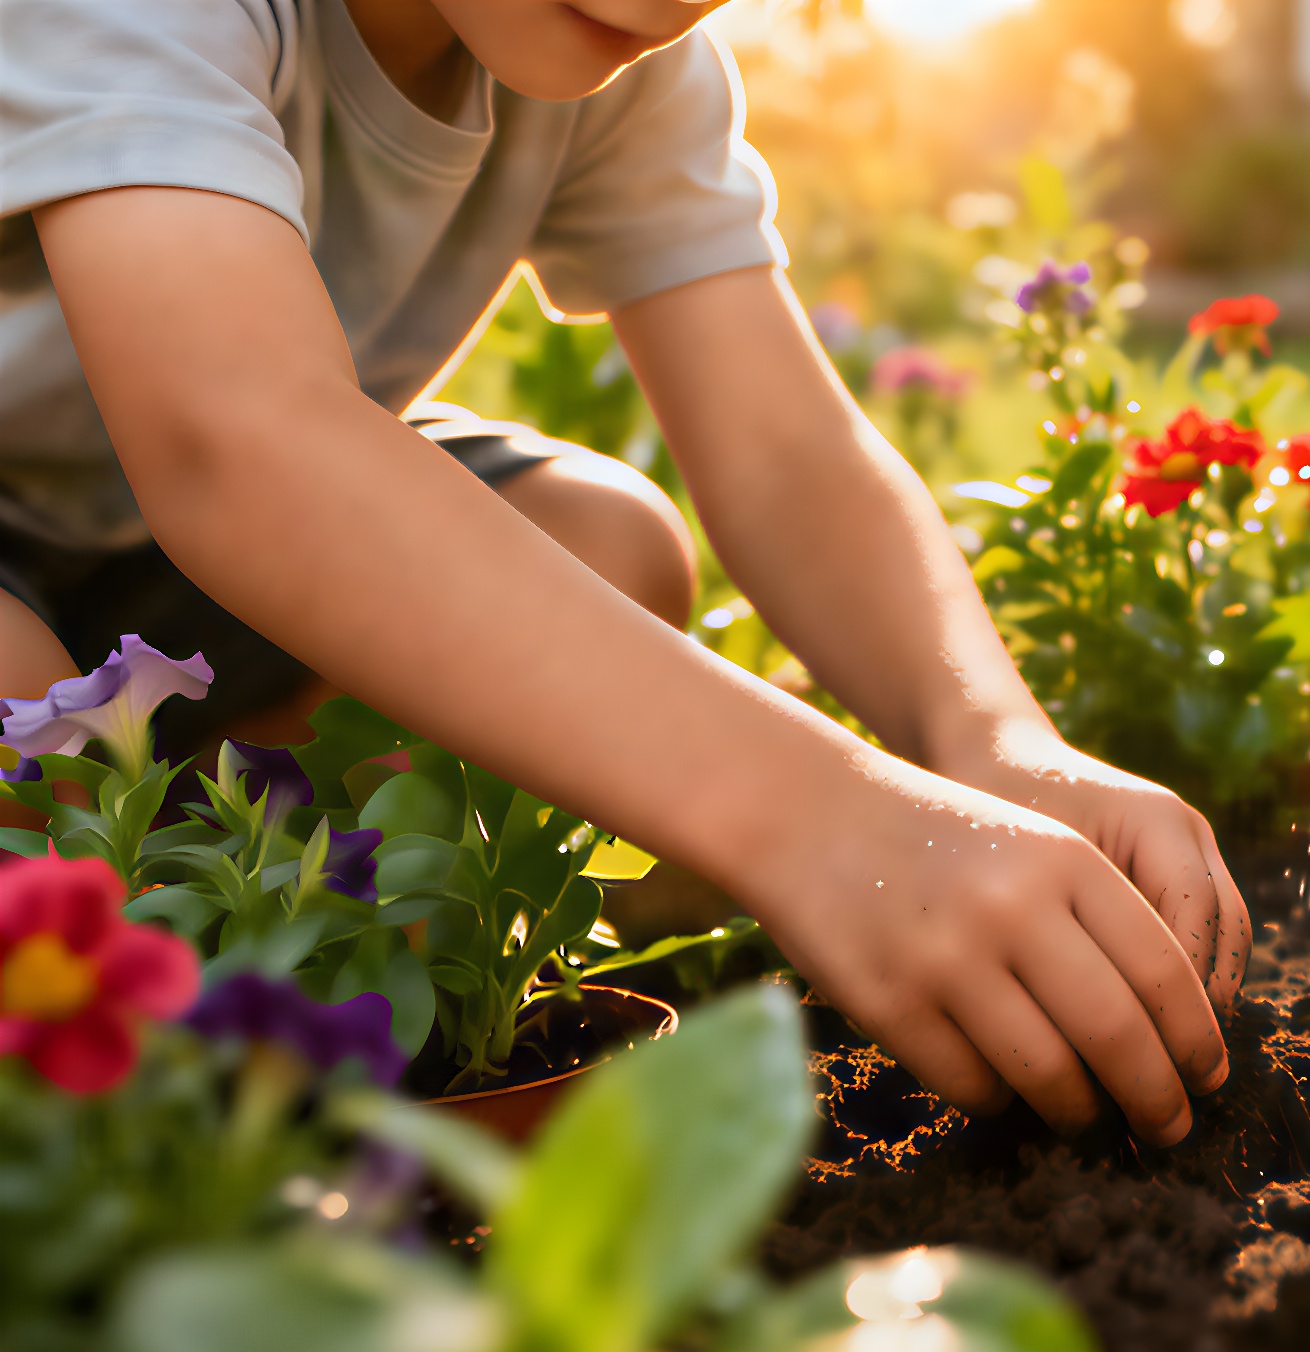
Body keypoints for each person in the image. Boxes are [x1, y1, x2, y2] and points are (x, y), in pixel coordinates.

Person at [3, 0, 1245, 1144]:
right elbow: (236, 436)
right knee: (24, 752)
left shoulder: (613, 60)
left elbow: (785, 453)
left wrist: (989, 746)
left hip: (154, 569)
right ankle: (153, 1036)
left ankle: (261, 981)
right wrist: (819, 818)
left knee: (610, 547)